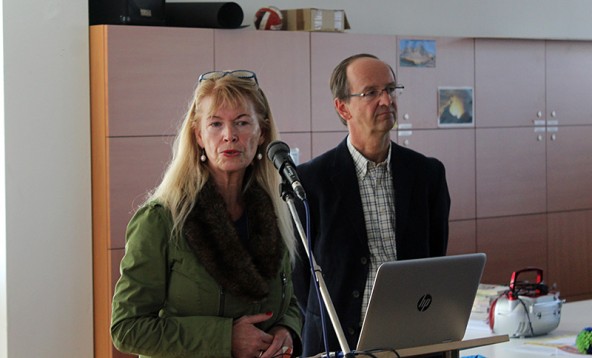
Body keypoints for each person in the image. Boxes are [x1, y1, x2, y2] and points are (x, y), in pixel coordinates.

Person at [110, 70, 302, 358]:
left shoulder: (275, 212)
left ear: (262, 133)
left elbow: (289, 303)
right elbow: (127, 329)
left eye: (242, 122)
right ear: (198, 135)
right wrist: (224, 338)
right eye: (215, 124)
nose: (230, 136)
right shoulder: (160, 220)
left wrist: (286, 331)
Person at [293, 54, 451, 356]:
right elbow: (300, 275)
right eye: (371, 93)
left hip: (411, 341)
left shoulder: (427, 174)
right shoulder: (310, 181)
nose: (386, 100)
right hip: (337, 344)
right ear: (343, 107)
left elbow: (434, 257)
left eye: (391, 89)